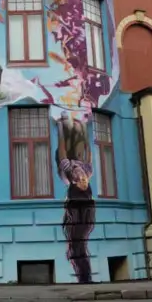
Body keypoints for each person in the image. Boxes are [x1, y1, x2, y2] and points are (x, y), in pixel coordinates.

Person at [55, 113, 95, 284]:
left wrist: (61, 128)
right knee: (78, 244)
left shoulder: (71, 170)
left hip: (83, 209)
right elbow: (87, 151)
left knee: (79, 244)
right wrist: (84, 128)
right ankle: (84, 275)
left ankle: (84, 275)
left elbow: (66, 148)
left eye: (82, 181)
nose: (83, 179)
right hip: (78, 209)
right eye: (83, 181)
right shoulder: (84, 169)